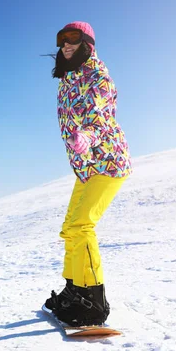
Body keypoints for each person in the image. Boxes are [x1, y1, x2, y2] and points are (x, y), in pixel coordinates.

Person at [43, 22, 132, 326]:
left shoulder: (97, 75)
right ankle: (74, 290)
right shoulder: (67, 79)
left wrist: (88, 136)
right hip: (87, 168)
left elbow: (101, 113)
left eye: (73, 39)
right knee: (70, 227)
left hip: (108, 162)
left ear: (87, 44)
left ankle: (93, 302)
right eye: (62, 40)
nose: (66, 45)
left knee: (82, 225)